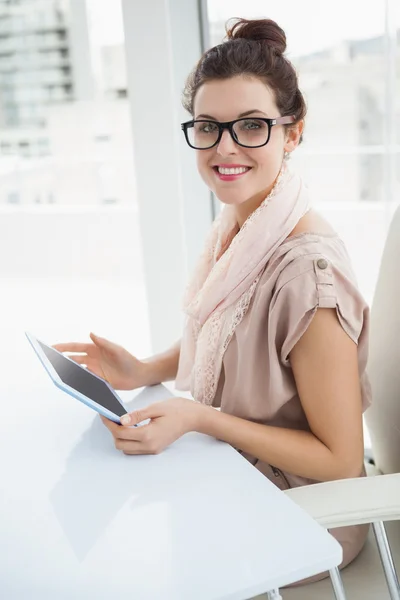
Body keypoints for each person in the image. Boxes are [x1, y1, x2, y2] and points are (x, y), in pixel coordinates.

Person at [54, 18, 371, 584]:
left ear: (292, 133)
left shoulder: (307, 273)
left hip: (305, 514)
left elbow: (340, 463)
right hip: (237, 476)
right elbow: (242, 333)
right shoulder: (247, 224)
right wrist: (147, 367)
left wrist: (202, 418)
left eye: (252, 126)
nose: (225, 148)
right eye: (209, 126)